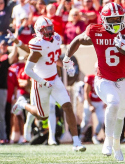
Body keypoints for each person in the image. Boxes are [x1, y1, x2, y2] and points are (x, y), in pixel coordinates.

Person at [65, 2, 125, 161]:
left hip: (122, 80)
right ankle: (107, 139)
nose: (115, 22)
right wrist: (67, 58)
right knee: (113, 103)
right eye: (111, 19)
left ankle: (117, 146)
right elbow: (78, 40)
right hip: (103, 79)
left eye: (118, 18)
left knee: (120, 115)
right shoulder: (95, 31)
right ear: (104, 19)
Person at [11, 16, 85, 151]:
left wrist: (67, 65)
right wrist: (43, 81)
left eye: (50, 28)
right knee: (42, 115)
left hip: (55, 79)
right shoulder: (37, 45)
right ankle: (22, 103)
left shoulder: (57, 39)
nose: (49, 31)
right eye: (45, 29)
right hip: (41, 84)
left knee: (67, 106)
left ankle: (76, 142)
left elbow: (54, 58)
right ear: (39, 31)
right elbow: (28, 70)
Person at [80, 64, 105, 145]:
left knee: (101, 121)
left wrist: (106, 102)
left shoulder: (104, 78)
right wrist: (90, 105)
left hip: (99, 102)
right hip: (90, 101)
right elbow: (86, 92)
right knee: (86, 121)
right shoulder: (90, 78)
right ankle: (81, 135)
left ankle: (95, 136)